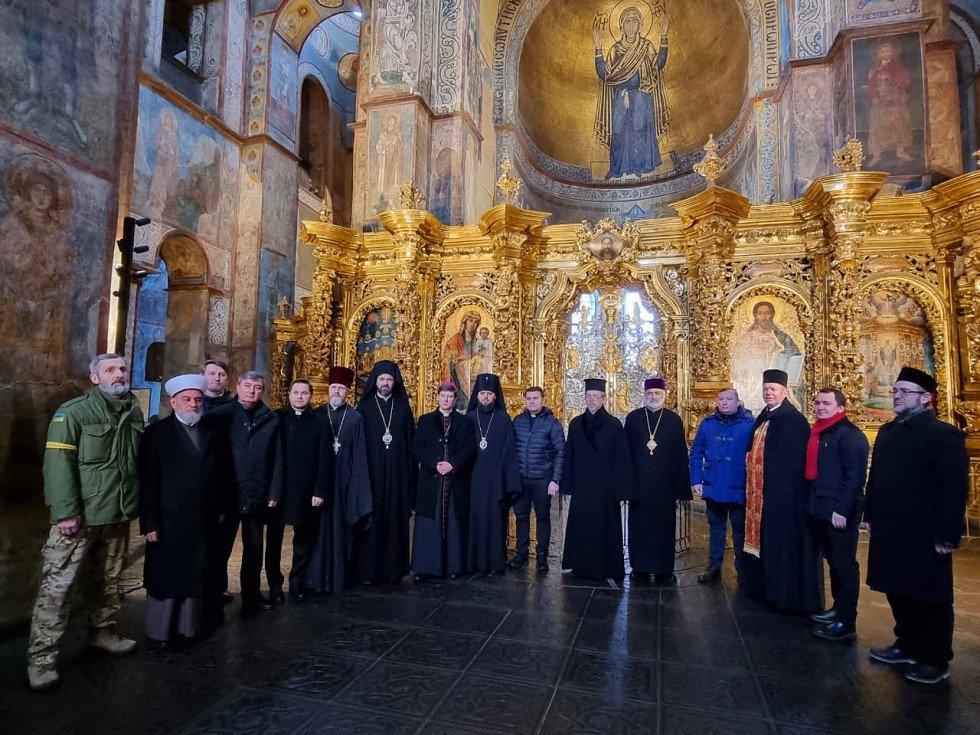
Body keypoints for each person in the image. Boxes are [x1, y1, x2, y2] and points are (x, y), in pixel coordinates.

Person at [27, 354, 144, 691]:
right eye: (110, 370)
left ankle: (103, 634)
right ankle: (42, 659)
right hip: (79, 518)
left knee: (107, 582)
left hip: (116, 513)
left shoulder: (132, 410)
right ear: (95, 378)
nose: (119, 374)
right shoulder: (74, 412)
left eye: (122, 368)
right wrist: (64, 512)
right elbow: (57, 465)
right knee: (57, 589)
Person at [865, 367, 969, 684]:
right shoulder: (888, 432)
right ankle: (907, 643)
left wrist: (948, 534)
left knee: (930, 595)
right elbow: (877, 479)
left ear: (926, 398)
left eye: (904, 391)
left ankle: (935, 658)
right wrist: (869, 513)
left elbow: (954, 489)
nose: (896, 395)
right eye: (895, 390)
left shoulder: (942, 434)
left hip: (925, 533)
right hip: (891, 529)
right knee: (898, 589)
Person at [138, 374, 235, 650]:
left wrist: (223, 511)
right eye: (186, 400)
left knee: (196, 575)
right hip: (168, 520)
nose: (192, 405)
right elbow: (148, 482)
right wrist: (150, 523)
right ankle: (161, 632)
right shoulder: (156, 434)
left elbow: (224, 474)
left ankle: (188, 629)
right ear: (174, 402)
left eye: (197, 400)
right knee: (167, 576)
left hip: (203, 519)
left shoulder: (213, 432)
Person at [741, 369, 822, 613]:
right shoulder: (764, 417)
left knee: (780, 545)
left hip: (783, 498)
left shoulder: (794, 421)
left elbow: (795, 464)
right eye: (766, 389)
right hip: (761, 495)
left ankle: (781, 594)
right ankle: (763, 588)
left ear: (784, 392)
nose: (769, 393)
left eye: (773, 389)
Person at [210, 371, 283, 616]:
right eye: (248, 386)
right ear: (238, 387)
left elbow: (277, 459)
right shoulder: (221, 416)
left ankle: (251, 595)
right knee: (221, 546)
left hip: (257, 492)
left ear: (263, 391)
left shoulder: (270, 419)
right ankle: (215, 592)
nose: (252, 391)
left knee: (254, 549)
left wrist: (274, 490)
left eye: (258, 387)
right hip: (228, 492)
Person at [806, 388, 869, 642]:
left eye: (826, 403)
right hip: (821, 508)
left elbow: (854, 478)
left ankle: (846, 620)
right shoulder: (821, 432)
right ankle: (837, 608)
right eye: (817, 402)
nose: (820, 407)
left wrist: (841, 510)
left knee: (844, 566)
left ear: (841, 407)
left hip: (839, 512)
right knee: (833, 563)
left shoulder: (850, 436)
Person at [560, 378, 636, 580]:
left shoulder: (613, 424)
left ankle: (607, 568)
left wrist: (622, 490)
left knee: (605, 528)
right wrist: (566, 485)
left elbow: (622, 459)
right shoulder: (576, 423)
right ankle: (581, 567)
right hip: (582, 487)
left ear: (604, 398)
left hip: (605, 488)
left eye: (596, 397)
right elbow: (569, 455)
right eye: (589, 396)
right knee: (582, 527)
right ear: (584, 398)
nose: (592, 400)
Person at [310, 366, 373, 593]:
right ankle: (315, 580)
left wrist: (356, 488)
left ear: (348, 392)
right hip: (320, 483)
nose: (337, 392)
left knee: (342, 532)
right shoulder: (317, 414)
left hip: (345, 484)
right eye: (334, 387)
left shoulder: (356, 418)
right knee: (316, 533)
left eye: (342, 388)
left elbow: (361, 455)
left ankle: (339, 579)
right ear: (329, 389)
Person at [624, 377, 691, 582]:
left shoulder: (673, 419)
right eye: (650, 393)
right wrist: (626, 485)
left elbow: (681, 454)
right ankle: (640, 567)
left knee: (664, 528)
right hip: (639, 486)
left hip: (665, 487)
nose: (653, 397)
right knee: (639, 528)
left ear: (664, 395)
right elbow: (625, 454)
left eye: (657, 394)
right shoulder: (634, 418)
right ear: (644, 395)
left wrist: (681, 488)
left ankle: (663, 569)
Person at [355, 360, 416, 584]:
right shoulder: (365, 408)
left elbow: (410, 445)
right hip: (373, 476)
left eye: (389, 379)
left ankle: (394, 570)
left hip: (398, 476)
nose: (385, 383)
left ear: (395, 382)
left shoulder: (402, 408)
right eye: (382, 379)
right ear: (375, 381)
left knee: (395, 522)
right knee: (372, 522)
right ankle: (368, 571)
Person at [592, 7, 671, 178]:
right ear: (621, 26)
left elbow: (658, 65)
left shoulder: (645, 46)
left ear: (640, 25)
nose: (631, 25)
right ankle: (616, 169)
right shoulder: (615, 49)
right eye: (627, 21)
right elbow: (603, 74)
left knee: (639, 130)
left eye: (635, 21)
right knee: (619, 132)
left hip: (641, 95)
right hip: (621, 96)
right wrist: (598, 47)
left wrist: (664, 36)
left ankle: (639, 166)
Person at [411, 381, 477, 580]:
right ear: (438, 397)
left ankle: (453, 567)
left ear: (455, 399)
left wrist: (452, 464)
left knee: (454, 523)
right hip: (432, 480)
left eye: (450, 397)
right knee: (429, 524)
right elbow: (417, 447)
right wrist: (434, 464)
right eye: (443, 396)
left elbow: (469, 448)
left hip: (454, 480)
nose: (446, 399)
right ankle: (426, 567)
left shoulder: (465, 422)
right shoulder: (425, 420)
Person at [689, 388, 754, 584]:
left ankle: (742, 567)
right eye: (721, 399)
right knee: (716, 527)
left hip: (739, 485)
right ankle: (714, 565)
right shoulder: (708, 424)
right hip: (714, 483)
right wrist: (696, 480)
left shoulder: (749, 425)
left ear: (737, 401)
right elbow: (696, 452)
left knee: (739, 528)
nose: (724, 402)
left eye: (729, 399)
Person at [276, 380, 334, 602]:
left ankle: (297, 583)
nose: (299, 397)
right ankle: (274, 585)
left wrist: (320, 491)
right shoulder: (278, 419)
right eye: (296, 392)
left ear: (310, 396)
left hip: (306, 491)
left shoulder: (319, 422)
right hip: (281, 490)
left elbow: (324, 460)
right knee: (274, 541)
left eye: (304, 393)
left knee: (303, 540)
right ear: (289, 394)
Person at [466, 374, 522, 575]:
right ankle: (472, 563)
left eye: (489, 394)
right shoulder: (470, 418)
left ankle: (495, 563)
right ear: (477, 395)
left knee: (496, 521)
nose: (486, 398)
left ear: (495, 396)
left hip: (496, 481)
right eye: (482, 394)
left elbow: (509, 453)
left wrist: (505, 481)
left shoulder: (503, 419)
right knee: (474, 521)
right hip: (473, 480)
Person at [510, 386, 565, 573]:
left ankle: (542, 556)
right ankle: (521, 554)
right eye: (529, 398)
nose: (532, 401)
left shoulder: (552, 423)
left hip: (543, 479)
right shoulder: (517, 422)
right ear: (524, 400)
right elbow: (510, 451)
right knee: (521, 517)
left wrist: (555, 479)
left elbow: (560, 452)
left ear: (543, 400)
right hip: (521, 479)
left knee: (543, 518)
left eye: (536, 398)